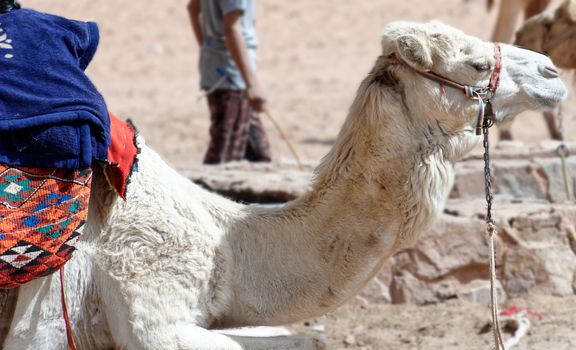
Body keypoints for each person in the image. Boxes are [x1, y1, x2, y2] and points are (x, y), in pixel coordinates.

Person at [188, 0, 272, 164]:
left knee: (259, 155)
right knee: (224, 156)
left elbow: (193, 8)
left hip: (222, 71)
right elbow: (231, 29)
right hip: (231, 77)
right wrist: (251, 84)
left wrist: (207, 47)